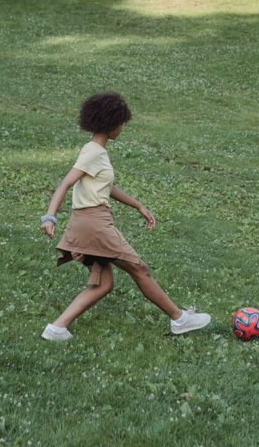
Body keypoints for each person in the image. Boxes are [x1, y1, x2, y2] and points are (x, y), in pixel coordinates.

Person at [39, 92, 211, 341]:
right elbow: (66, 183)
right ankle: (179, 319)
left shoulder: (95, 151)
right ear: (110, 123)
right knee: (139, 268)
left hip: (86, 223)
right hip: (94, 224)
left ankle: (57, 328)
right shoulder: (93, 152)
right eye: (120, 123)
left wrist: (137, 205)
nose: (122, 128)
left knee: (103, 284)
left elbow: (106, 187)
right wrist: (49, 217)